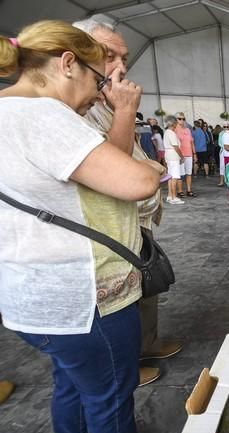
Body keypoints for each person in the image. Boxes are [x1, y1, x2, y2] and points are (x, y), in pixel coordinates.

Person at [0, 20, 161, 433]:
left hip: (31, 298)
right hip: (83, 300)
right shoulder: (43, 115)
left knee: (73, 386)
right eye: (96, 77)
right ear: (68, 64)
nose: (99, 91)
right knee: (110, 402)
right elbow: (136, 182)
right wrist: (147, 163)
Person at [73, 17, 182, 386]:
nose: (119, 68)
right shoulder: (76, 110)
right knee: (118, 310)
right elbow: (115, 173)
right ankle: (127, 364)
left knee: (144, 288)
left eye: (125, 59)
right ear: (70, 58)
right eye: (108, 56)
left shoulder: (103, 101)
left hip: (135, 224)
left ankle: (146, 344)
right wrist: (124, 112)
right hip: (105, 237)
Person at [164, 115, 185, 204]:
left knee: (170, 176)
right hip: (173, 156)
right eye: (176, 122)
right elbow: (176, 147)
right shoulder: (171, 133)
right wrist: (182, 156)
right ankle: (173, 197)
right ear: (173, 123)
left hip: (169, 155)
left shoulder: (166, 132)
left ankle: (170, 195)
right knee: (174, 177)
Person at [174, 111, 196, 197]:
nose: (182, 120)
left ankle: (189, 190)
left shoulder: (187, 130)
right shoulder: (174, 130)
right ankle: (180, 191)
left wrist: (194, 154)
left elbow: (191, 142)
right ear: (176, 120)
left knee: (188, 173)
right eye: (180, 119)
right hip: (180, 155)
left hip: (189, 154)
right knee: (180, 174)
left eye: (183, 119)